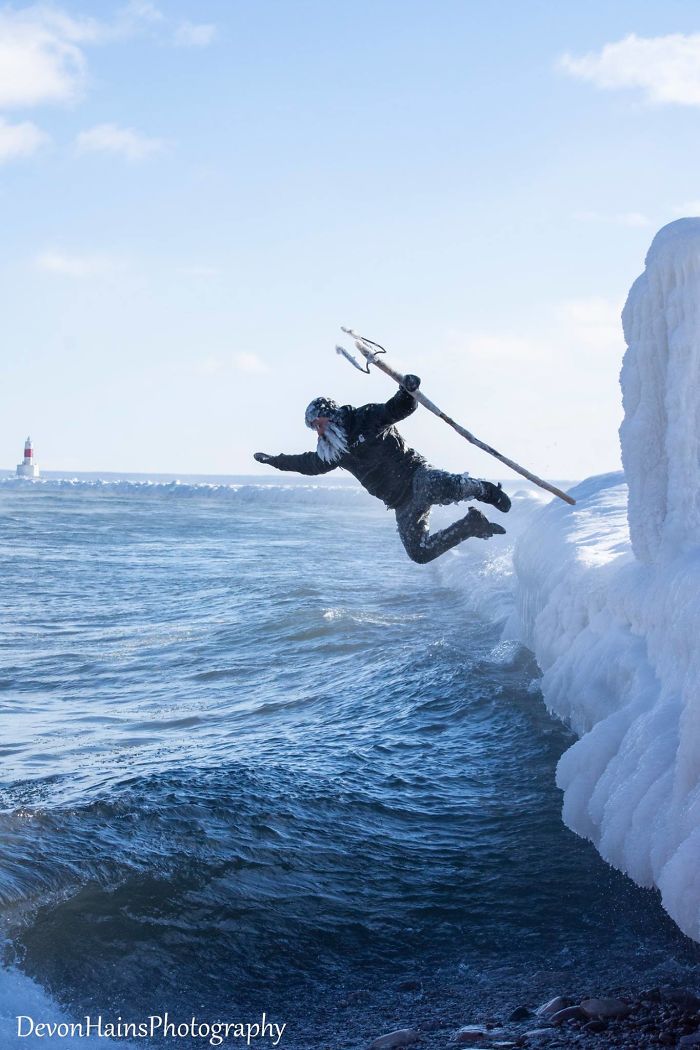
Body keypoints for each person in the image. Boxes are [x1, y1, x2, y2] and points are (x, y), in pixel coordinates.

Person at [253, 375, 510, 563]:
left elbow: (397, 409)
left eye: (318, 423)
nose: (318, 431)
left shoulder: (365, 418)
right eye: (313, 428)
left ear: (330, 415)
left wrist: (407, 391)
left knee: (440, 486)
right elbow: (306, 464)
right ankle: (471, 526)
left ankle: (483, 490)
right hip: (401, 504)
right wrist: (274, 460)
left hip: (416, 477)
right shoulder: (335, 451)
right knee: (419, 552)